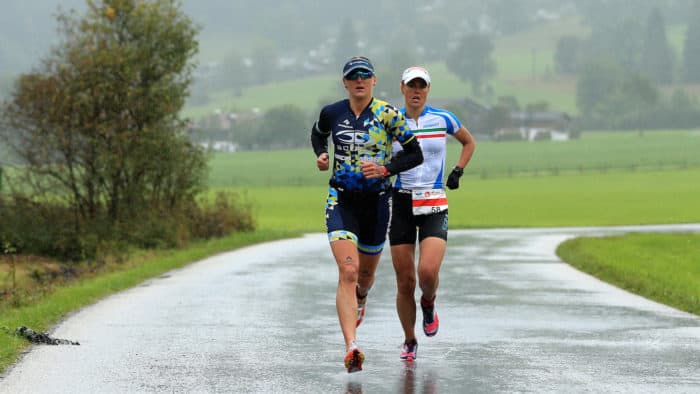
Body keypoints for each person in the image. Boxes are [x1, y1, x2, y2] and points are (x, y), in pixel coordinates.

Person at [311, 56, 424, 373]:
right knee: (347, 271)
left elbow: (415, 153)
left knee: (364, 277)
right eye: (353, 76)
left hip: (376, 204)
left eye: (365, 75)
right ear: (345, 82)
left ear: (374, 81)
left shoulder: (388, 115)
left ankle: (361, 297)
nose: (359, 80)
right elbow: (318, 134)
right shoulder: (331, 113)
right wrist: (321, 153)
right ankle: (351, 346)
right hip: (341, 201)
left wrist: (387, 169)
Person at [389, 66, 476, 361]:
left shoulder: (443, 118)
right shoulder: (392, 121)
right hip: (401, 202)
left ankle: (429, 302)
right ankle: (410, 339)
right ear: (402, 88)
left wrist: (458, 171)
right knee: (404, 281)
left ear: (428, 89)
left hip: (434, 201)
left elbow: (469, 141)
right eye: (411, 85)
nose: (416, 91)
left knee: (426, 271)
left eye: (421, 86)